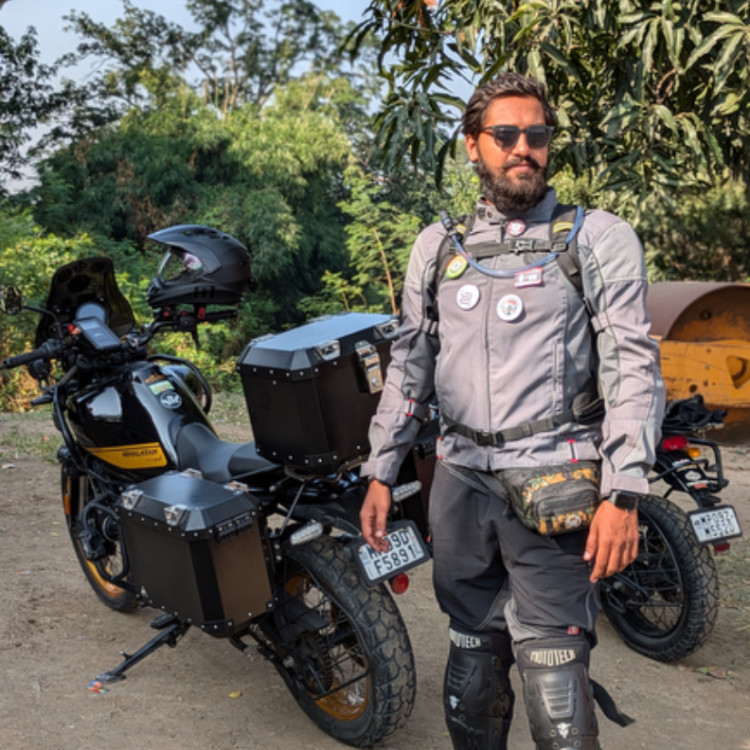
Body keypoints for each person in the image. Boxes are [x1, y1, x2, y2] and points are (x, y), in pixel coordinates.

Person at [359, 72, 665, 750]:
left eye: (536, 134)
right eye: (505, 135)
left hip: (556, 483)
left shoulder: (596, 238)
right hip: (460, 487)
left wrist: (623, 491)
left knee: (556, 689)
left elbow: (633, 368)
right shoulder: (438, 247)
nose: (523, 147)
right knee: (472, 668)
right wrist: (381, 470)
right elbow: (409, 365)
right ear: (473, 145)